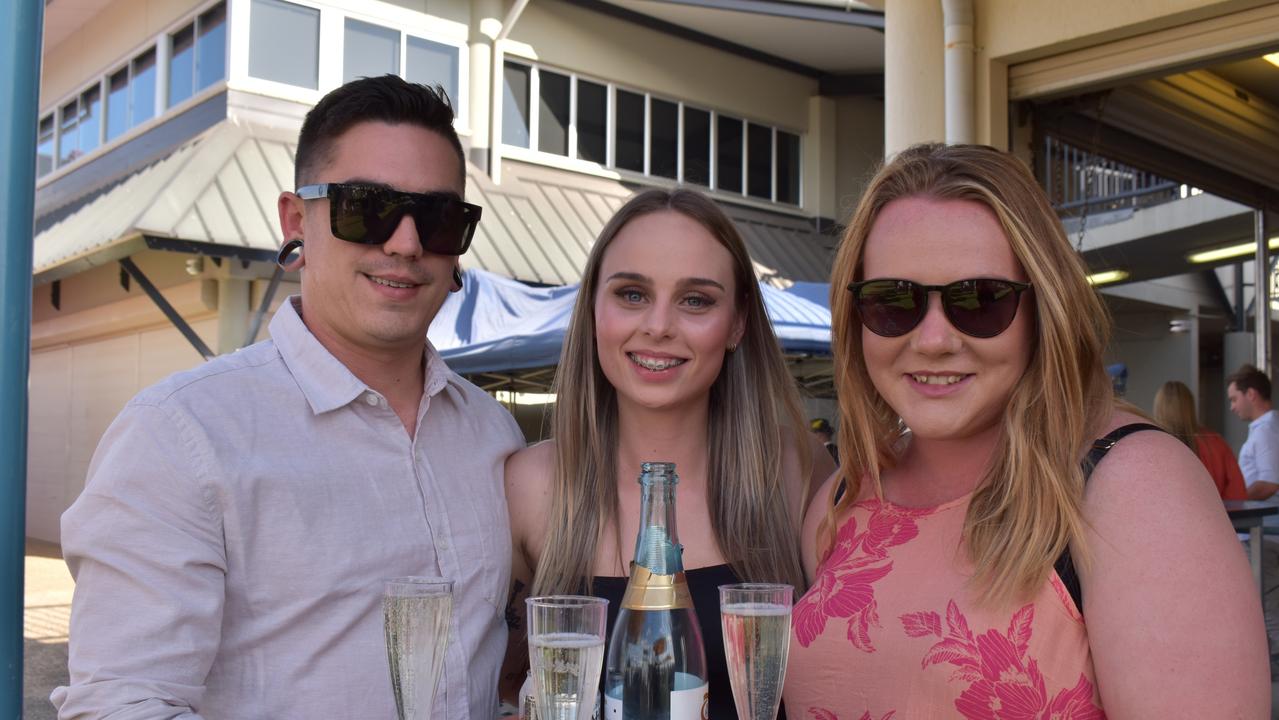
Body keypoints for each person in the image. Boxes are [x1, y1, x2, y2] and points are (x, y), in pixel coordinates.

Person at [51, 75, 524, 719]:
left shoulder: (494, 436)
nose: (406, 243)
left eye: (439, 218)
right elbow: (122, 704)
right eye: (368, 207)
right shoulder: (180, 434)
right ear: (297, 221)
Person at [784, 143, 1268, 718]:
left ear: (1045, 310)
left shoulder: (1132, 484)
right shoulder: (843, 498)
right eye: (893, 301)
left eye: (981, 300)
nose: (934, 340)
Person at [503, 188, 835, 719]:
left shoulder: (797, 473)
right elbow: (504, 684)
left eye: (696, 299)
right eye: (632, 294)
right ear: (593, 309)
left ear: (739, 323)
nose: (658, 325)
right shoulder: (530, 485)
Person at [1153, 380, 1246, 501]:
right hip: (1215, 516)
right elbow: (1237, 493)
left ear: (1159, 408)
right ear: (1190, 406)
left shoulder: (1154, 446)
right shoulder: (1214, 441)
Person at [1228, 364, 1279, 501]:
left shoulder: (1266, 430)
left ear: (1250, 394)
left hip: (1268, 519)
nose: (1232, 407)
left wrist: (1235, 502)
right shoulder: (1268, 427)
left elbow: (1270, 484)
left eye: (1234, 399)